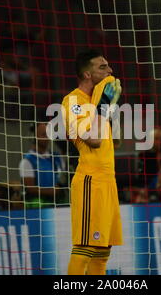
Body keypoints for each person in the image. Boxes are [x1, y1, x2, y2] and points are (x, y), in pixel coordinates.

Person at [60, 49, 122, 275]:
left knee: (104, 248)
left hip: (108, 180)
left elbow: (116, 142)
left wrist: (112, 107)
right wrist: (104, 105)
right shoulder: (72, 102)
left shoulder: (98, 101)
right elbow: (94, 140)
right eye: (103, 67)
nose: (110, 71)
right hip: (90, 180)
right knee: (85, 245)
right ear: (87, 74)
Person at [18, 122, 67, 208]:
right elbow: (30, 189)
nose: (47, 137)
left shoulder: (56, 157)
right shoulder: (27, 161)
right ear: (33, 137)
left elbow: (63, 179)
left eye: (48, 134)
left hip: (57, 201)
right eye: (43, 134)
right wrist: (52, 191)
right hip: (37, 203)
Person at [136, 128, 161, 203]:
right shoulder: (144, 158)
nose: (160, 142)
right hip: (151, 197)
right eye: (156, 139)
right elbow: (142, 182)